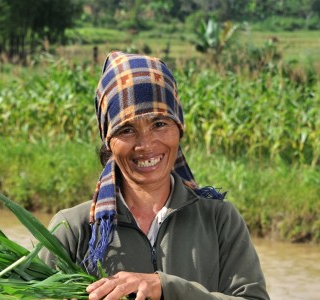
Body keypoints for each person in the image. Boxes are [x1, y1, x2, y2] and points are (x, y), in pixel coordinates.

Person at [40, 51, 269, 300]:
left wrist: (166, 287)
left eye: (159, 124)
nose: (146, 145)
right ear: (108, 142)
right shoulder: (74, 229)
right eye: (127, 129)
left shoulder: (218, 220)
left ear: (179, 128)